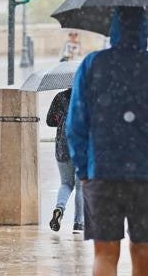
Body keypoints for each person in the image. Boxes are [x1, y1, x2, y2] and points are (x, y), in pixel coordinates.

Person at [66, 7, 148, 276]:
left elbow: (75, 125)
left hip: (102, 174)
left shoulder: (92, 65)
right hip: (145, 174)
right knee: (143, 253)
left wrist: (85, 171)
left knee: (105, 253)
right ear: (145, 30)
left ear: (113, 30)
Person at [47, 88, 84, 234]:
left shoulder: (60, 97)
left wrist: (61, 118)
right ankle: (79, 224)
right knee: (81, 187)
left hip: (63, 147)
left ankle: (59, 208)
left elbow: (50, 121)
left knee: (66, 184)